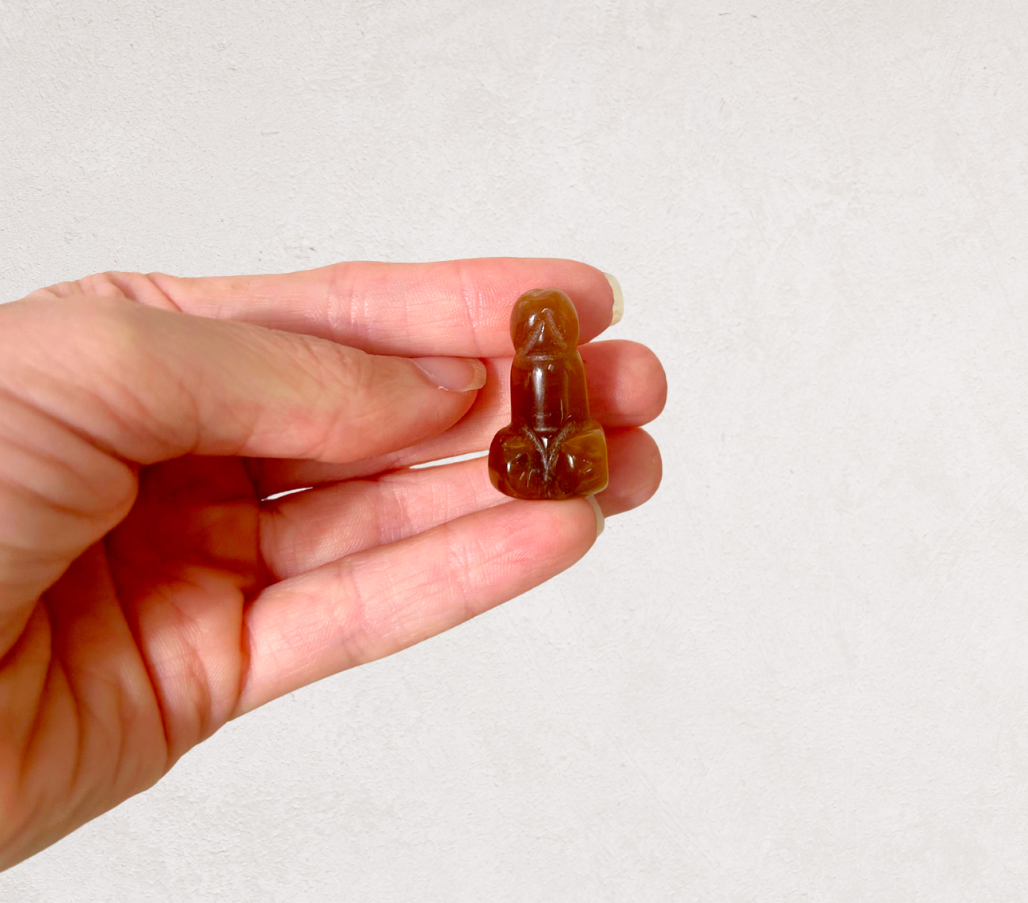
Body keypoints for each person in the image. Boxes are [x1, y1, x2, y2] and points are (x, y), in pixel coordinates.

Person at [0, 257, 666, 870]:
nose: (543, 333)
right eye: (536, 323)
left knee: (566, 461)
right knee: (535, 466)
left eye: (549, 324)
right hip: (521, 442)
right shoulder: (529, 368)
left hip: (556, 439)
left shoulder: (558, 367)